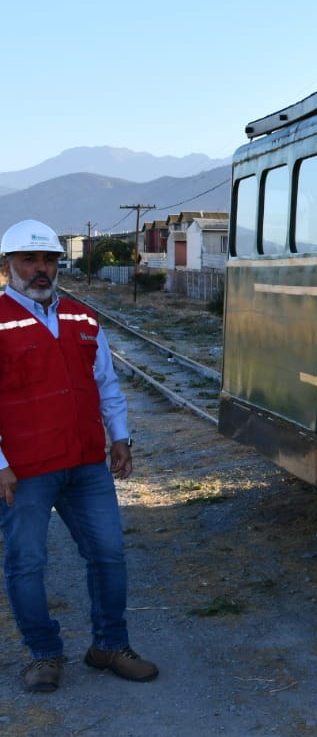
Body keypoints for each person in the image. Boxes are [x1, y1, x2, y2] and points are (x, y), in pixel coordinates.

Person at [0, 219, 158, 692]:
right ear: (8, 265)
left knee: (108, 553)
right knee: (26, 562)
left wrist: (120, 438)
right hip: (26, 470)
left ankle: (109, 645)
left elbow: (105, 383)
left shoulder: (82, 319)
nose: (41, 269)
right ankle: (44, 654)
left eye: (49, 259)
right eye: (30, 260)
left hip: (86, 463)